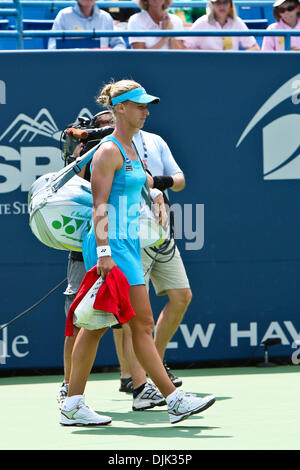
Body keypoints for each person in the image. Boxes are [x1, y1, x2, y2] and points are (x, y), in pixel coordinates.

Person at [60, 79, 216, 426]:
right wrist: (103, 253)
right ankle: (173, 399)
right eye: (139, 106)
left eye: (147, 106)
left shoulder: (132, 150)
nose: (146, 111)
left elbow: (149, 187)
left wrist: (158, 194)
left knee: (109, 326)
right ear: (120, 109)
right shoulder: (109, 151)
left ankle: (73, 403)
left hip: (128, 243)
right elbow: (99, 204)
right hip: (110, 246)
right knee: (131, 324)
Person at [48, 0, 126, 50]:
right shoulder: (63, 16)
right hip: (71, 67)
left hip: (101, 67)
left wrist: (109, 52)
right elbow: (53, 48)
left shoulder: (105, 17)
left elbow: (120, 45)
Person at [184, 0, 260, 51]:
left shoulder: (237, 23)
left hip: (231, 68)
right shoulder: (201, 23)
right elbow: (185, 48)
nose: (222, 6)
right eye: (218, 2)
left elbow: (255, 48)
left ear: (231, 5)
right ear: (212, 5)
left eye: (225, 2)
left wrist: (238, 59)